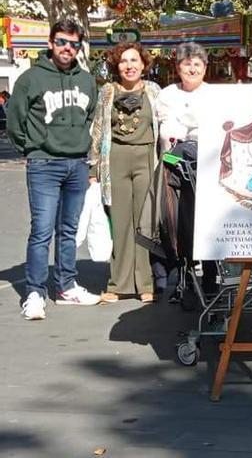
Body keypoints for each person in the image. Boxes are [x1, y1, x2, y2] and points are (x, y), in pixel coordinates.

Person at [6, 18, 103, 320]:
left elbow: (91, 118)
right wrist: (32, 149)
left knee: (69, 230)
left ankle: (66, 286)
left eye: (73, 44)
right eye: (61, 42)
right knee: (42, 230)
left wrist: (85, 152)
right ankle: (35, 292)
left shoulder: (87, 80)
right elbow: (14, 122)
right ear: (50, 43)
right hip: (44, 164)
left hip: (77, 164)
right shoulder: (31, 78)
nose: (67, 48)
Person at [88, 42, 162, 303]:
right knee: (119, 222)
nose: (129, 66)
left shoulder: (154, 90)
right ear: (116, 66)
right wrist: (94, 167)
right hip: (116, 159)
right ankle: (117, 284)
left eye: (134, 61)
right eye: (123, 61)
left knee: (143, 222)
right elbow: (98, 128)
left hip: (147, 158)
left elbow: (164, 126)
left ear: (143, 65)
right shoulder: (107, 91)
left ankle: (145, 283)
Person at [155, 42, 216, 299]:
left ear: (205, 66)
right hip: (173, 167)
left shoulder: (214, 95)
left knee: (207, 223)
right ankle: (184, 279)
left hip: (207, 168)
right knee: (177, 225)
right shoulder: (167, 94)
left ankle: (211, 278)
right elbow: (169, 131)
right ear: (177, 67)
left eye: (197, 63)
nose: (192, 68)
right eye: (186, 63)